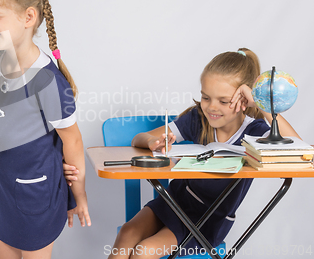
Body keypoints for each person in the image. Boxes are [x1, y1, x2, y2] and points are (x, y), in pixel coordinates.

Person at [108, 48, 301, 259]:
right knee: (127, 233)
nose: (212, 107)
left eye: (223, 101)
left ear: (243, 100)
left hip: (207, 220)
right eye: (206, 97)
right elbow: (139, 138)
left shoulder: (254, 132)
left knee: (144, 252)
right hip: (173, 201)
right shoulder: (197, 119)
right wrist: (154, 142)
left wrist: (260, 104)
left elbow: (298, 152)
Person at [0, 0, 91, 259]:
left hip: (36, 196)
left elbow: (72, 141)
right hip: (7, 190)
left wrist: (79, 195)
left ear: (28, 17)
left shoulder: (47, 81)